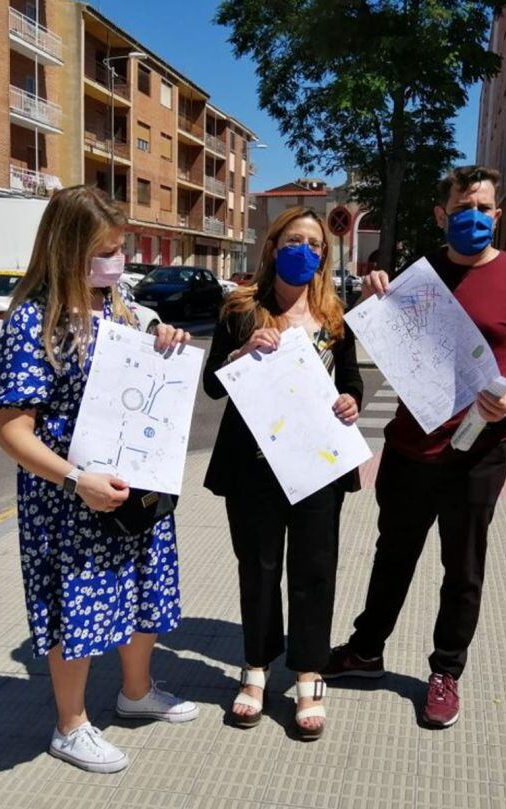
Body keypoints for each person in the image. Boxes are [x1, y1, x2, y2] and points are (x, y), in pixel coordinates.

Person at [324, 166, 506, 728]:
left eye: (483, 208)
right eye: (462, 209)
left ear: (497, 215)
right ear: (441, 215)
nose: (473, 217)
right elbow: (375, 333)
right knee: (393, 555)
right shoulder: (419, 276)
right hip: (410, 448)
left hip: (480, 450)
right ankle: (367, 650)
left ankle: (445, 672)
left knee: (464, 567)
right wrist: (378, 292)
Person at [0, 186, 198, 774]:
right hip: (69, 497)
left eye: (120, 250)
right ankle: (70, 725)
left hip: (131, 487)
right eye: (105, 252)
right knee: (73, 605)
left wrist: (165, 343)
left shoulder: (119, 309)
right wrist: (76, 478)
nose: (117, 262)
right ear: (68, 249)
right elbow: (12, 432)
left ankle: (135, 694)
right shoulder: (33, 319)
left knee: (142, 588)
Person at [202, 206, 363, 741]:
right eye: (294, 239)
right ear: (272, 247)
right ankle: (256, 668)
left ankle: (309, 672)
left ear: (324, 254)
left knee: (315, 569)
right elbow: (213, 386)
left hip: (316, 463)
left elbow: (354, 384)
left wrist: (348, 402)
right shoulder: (241, 309)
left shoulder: (334, 315)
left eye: (314, 244)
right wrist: (243, 352)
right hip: (252, 466)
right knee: (260, 566)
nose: (305, 250)